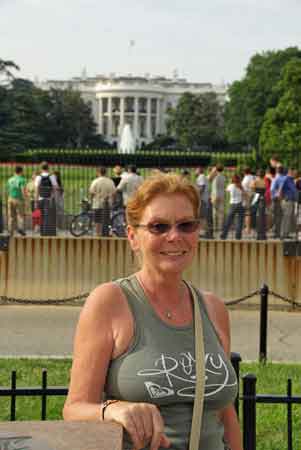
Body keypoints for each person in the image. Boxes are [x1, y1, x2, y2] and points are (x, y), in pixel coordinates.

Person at [63, 173, 242, 450]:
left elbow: (225, 414)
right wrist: (113, 409)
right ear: (133, 237)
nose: (174, 236)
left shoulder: (213, 308)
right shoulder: (110, 302)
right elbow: (75, 408)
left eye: (186, 225)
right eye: (159, 227)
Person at [89, 166, 116, 236]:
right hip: (107, 204)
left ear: (98, 172)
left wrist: (91, 201)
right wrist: (112, 202)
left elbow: (91, 192)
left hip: (97, 204)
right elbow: (114, 193)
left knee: (97, 220)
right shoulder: (110, 181)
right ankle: (106, 233)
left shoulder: (95, 181)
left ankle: (98, 234)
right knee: (107, 220)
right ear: (106, 172)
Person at [35, 161, 58, 236]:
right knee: (47, 217)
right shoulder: (52, 176)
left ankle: (42, 233)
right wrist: (52, 196)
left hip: (40, 198)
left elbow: (36, 189)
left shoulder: (38, 177)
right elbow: (55, 188)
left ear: (41, 168)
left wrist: (36, 200)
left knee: (41, 216)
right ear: (48, 167)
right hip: (48, 199)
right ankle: (46, 233)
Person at [220, 174, 245, 240]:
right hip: (240, 204)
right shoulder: (241, 186)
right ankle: (238, 236)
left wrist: (230, 182)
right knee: (239, 221)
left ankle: (223, 235)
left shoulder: (231, 186)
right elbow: (244, 194)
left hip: (232, 205)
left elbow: (226, 190)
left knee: (228, 221)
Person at [7, 166, 27, 236]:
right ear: (21, 171)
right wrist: (25, 200)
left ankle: (10, 231)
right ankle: (20, 229)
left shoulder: (10, 179)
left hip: (10, 198)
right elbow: (23, 190)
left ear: (15, 171)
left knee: (11, 216)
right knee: (20, 215)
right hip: (19, 199)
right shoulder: (22, 179)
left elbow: (8, 190)